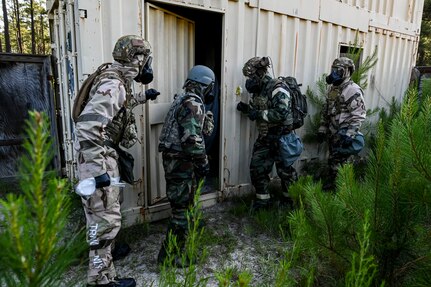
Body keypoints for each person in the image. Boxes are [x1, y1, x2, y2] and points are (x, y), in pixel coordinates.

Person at [75, 35, 160, 287]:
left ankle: (104, 266)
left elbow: (119, 107)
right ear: (137, 59)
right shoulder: (114, 84)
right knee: (104, 223)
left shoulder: (114, 79)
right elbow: (88, 126)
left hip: (100, 155)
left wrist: (145, 97)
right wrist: (97, 171)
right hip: (99, 158)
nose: (147, 66)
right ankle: (101, 280)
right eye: (145, 59)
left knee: (102, 220)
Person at [157, 65, 215, 266]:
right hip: (181, 162)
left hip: (176, 160)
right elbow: (192, 140)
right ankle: (169, 257)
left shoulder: (183, 98)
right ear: (205, 85)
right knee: (181, 212)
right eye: (210, 87)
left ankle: (175, 251)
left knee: (182, 207)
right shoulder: (192, 103)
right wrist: (203, 163)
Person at [237, 56, 302, 211]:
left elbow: (281, 112)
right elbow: (261, 110)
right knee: (257, 168)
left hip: (282, 137)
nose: (249, 81)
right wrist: (248, 110)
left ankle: (290, 202)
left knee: (285, 172)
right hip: (266, 137)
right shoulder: (259, 91)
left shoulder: (278, 87)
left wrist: (257, 114)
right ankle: (263, 202)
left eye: (251, 76)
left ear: (260, 72)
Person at [317, 57, 366, 191]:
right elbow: (326, 109)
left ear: (347, 72)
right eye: (333, 70)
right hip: (333, 133)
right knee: (333, 162)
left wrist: (350, 134)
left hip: (344, 134)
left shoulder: (352, 90)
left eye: (338, 71)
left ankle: (343, 194)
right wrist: (322, 127)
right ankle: (332, 189)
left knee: (343, 166)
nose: (334, 73)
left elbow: (358, 115)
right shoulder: (333, 89)